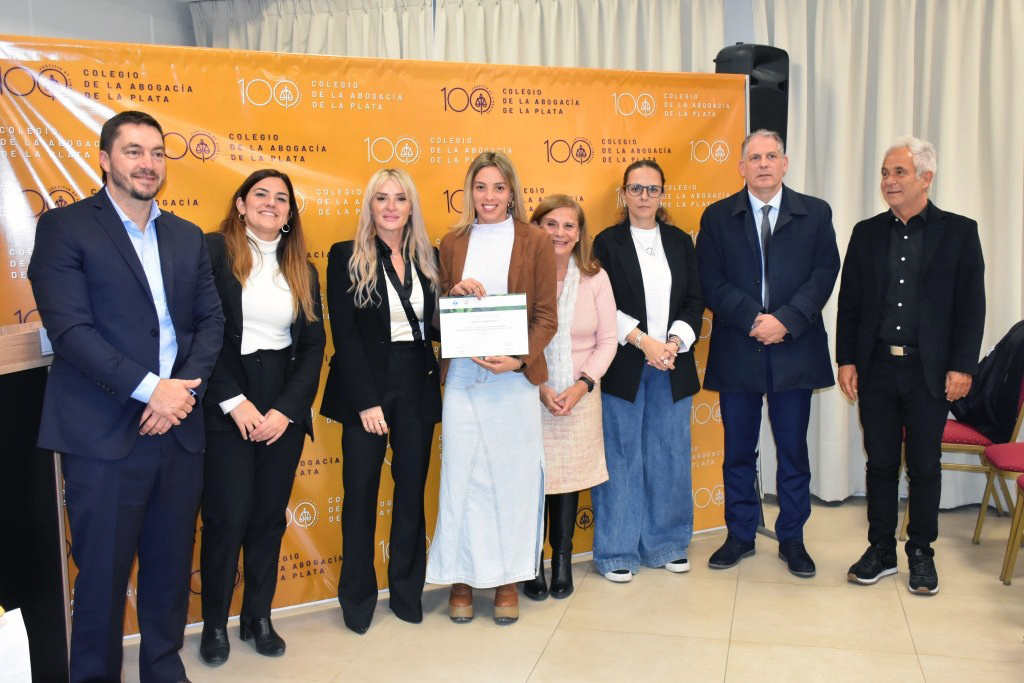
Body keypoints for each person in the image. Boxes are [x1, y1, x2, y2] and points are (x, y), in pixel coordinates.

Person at [27, 110, 224, 683]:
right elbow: (71, 331)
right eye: (134, 151)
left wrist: (179, 395)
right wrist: (151, 392)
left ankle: (163, 669)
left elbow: (211, 323)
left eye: (158, 153)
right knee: (104, 578)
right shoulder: (65, 228)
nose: (148, 163)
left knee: (167, 574)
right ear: (105, 159)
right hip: (105, 432)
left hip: (180, 430)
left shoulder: (186, 237)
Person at [836, 135, 986, 594]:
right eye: (885, 172)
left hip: (930, 373)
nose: (889, 181)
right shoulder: (866, 233)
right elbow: (851, 304)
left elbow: (971, 306)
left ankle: (920, 551)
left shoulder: (960, 232)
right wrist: (846, 359)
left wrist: (963, 366)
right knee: (879, 463)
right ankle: (880, 548)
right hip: (878, 368)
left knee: (924, 465)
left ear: (927, 177)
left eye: (899, 172)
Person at [695, 130, 840, 577]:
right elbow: (709, 279)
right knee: (738, 450)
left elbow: (824, 272)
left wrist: (787, 320)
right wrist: (754, 319)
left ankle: (792, 538)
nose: (762, 164)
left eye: (770, 156)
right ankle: (740, 533)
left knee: (793, 450)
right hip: (739, 346)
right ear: (740, 167)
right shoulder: (718, 217)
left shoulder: (815, 212)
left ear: (785, 163)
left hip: (794, 347)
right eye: (754, 157)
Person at [198, 169, 325, 664]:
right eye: (261, 195)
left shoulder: (303, 270)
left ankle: (258, 617)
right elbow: (199, 332)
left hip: (282, 403)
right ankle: (214, 626)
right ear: (240, 203)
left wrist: (287, 411)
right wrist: (233, 402)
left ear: (290, 213)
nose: (272, 204)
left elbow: (313, 346)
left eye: (282, 199)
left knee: (268, 519)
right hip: (226, 398)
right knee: (228, 517)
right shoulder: (211, 252)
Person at [425, 152, 557, 624]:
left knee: (513, 483)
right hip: (463, 375)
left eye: (499, 187)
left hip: (513, 379)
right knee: (461, 479)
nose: (489, 197)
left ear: (512, 192)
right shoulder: (453, 241)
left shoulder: (536, 240)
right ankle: (461, 578)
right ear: (469, 191)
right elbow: (438, 317)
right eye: (481, 187)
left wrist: (519, 359)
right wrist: (452, 297)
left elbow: (546, 318)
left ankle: (506, 580)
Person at [320, 169, 441, 634]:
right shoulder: (345, 255)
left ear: (412, 207)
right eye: (381, 199)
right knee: (360, 496)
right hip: (365, 385)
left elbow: (431, 328)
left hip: (416, 380)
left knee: (411, 492)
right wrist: (367, 402)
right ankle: (357, 600)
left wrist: (461, 299)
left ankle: (407, 593)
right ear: (370, 206)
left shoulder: (427, 258)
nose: (391, 207)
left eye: (401, 199)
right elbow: (345, 336)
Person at [590, 159, 704, 583]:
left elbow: (695, 299)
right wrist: (643, 341)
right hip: (624, 362)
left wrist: (673, 343)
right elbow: (601, 304)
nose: (643, 196)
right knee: (620, 456)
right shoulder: (606, 242)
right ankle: (617, 549)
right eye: (635, 189)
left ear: (663, 195)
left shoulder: (679, 241)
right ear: (623, 195)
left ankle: (668, 543)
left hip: (672, 364)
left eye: (652, 189)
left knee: (670, 455)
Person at [522, 195, 617, 600]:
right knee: (531, 481)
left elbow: (608, 340)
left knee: (566, 482)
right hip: (528, 392)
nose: (560, 233)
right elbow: (512, 340)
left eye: (569, 226)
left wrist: (581, 386)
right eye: (551, 224)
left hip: (580, 394)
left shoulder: (596, 278)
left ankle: (561, 562)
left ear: (580, 233)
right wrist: (539, 387)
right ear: (536, 228)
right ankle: (530, 563)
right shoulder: (520, 277)